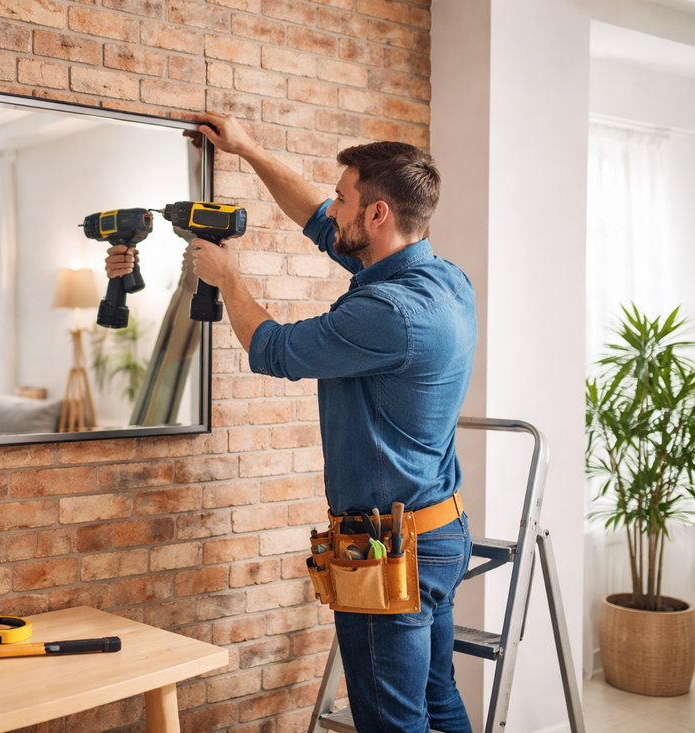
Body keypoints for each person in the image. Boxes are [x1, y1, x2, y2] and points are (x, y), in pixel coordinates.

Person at [106, 112, 477, 733]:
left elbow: (273, 349)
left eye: (344, 198)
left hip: (390, 549)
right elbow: (316, 218)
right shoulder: (441, 279)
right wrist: (248, 149)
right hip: (438, 531)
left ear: (378, 214)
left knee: (391, 722)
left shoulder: (389, 312)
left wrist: (228, 279)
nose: (333, 208)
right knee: (439, 703)